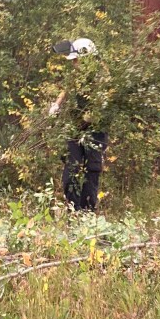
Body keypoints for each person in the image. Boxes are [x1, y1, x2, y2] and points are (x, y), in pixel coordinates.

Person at [50, 38, 109, 211]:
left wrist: (97, 111)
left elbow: (108, 97)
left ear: (88, 57)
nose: (75, 63)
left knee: (92, 170)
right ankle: (73, 211)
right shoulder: (77, 74)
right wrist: (56, 105)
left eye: (77, 59)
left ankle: (87, 212)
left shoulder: (102, 75)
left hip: (96, 130)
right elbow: (67, 89)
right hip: (76, 127)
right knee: (71, 169)